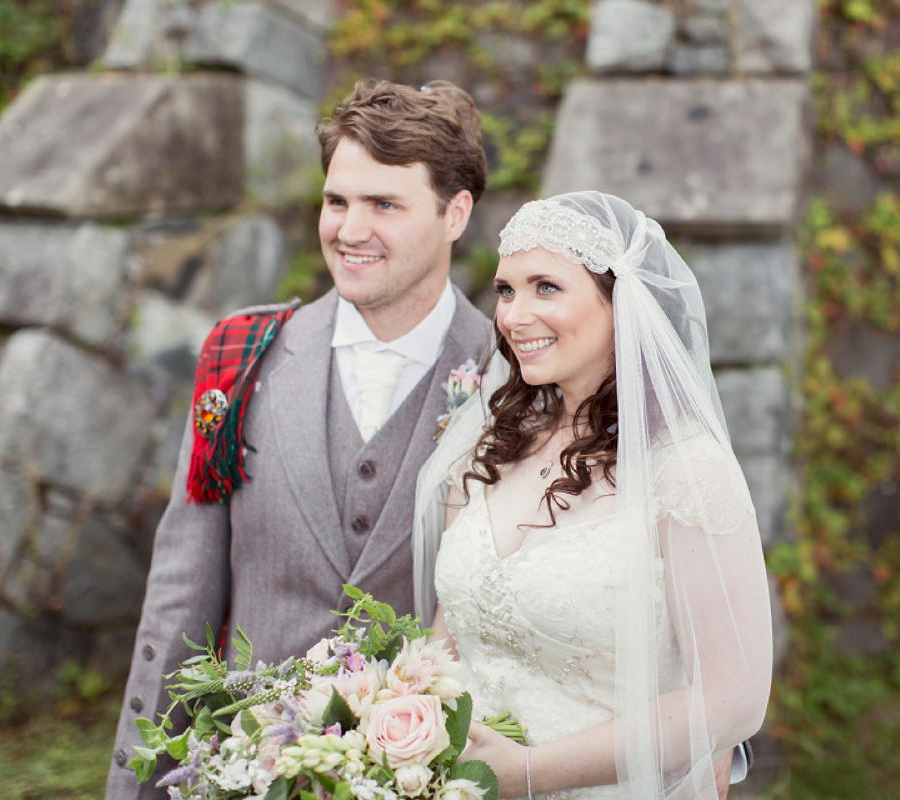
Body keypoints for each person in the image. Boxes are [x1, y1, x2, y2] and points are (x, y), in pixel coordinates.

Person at [105, 79, 495, 800]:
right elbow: (180, 597)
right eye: (337, 200)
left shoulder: (515, 376)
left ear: (455, 213)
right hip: (238, 776)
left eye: (385, 205)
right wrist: (136, 787)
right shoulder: (242, 354)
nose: (350, 230)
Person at [413, 192, 774, 799]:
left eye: (545, 287)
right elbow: (452, 634)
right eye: (506, 290)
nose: (514, 315)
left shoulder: (686, 474)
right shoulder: (491, 447)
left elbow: (733, 699)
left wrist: (528, 775)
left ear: (620, 302)